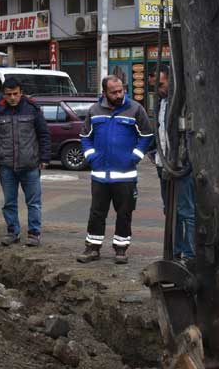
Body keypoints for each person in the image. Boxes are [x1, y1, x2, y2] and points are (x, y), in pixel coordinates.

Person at [77, 75, 154, 264]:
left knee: (124, 213)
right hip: (100, 175)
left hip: (125, 175)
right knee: (96, 213)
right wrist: (91, 157)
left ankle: (121, 249)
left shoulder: (135, 109)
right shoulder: (94, 111)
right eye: (114, 92)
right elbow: (85, 136)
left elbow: (147, 135)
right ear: (105, 92)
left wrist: (134, 157)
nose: (119, 95)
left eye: (121, 90)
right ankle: (92, 248)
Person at [0, 77, 51, 247]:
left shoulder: (33, 110)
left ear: (21, 92)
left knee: (34, 202)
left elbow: (44, 134)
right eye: (9, 94)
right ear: (4, 95)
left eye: (15, 94)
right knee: (9, 202)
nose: (12, 97)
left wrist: (44, 158)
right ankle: (12, 232)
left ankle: (34, 233)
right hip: (6, 166)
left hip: (30, 165)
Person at [154, 68, 195, 261]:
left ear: (171, 81)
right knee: (170, 210)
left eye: (161, 84)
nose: (158, 89)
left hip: (180, 164)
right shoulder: (162, 102)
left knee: (186, 210)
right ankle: (177, 249)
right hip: (163, 163)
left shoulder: (181, 104)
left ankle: (190, 252)